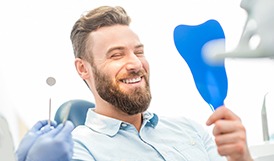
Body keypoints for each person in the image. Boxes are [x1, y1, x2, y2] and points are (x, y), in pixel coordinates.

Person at [70, 5, 253, 161]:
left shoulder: (190, 130)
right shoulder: (77, 149)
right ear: (83, 68)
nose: (135, 63)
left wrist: (242, 158)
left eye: (139, 52)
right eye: (116, 55)